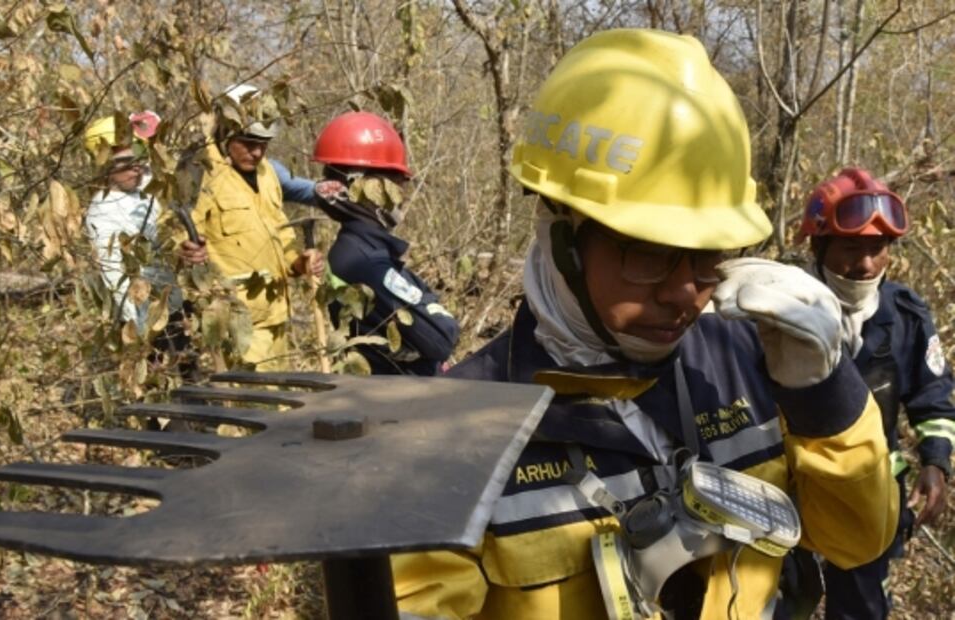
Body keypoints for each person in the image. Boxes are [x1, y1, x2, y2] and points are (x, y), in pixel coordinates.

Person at [392, 28, 898, 619]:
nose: (685, 292)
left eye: (708, 256)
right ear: (562, 236)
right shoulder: (457, 432)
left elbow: (857, 541)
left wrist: (823, 394)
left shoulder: (747, 360)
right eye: (648, 254)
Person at [793, 167, 954, 619]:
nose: (865, 265)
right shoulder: (781, 309)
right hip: (790, 495)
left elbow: (933, 394)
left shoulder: (905, 317)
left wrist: (936, 462)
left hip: (870, 498)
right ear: (818, 247)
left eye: (877, 248)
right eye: (851, 248)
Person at [180, 84, 325, 370]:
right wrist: (184, 249)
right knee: (250, 397)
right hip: (238, 324)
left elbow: (279, 228)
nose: (257, 152)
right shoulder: (200, 170)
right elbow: (177, 229)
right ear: (225, 132)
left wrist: (299, 262)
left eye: (264, 144)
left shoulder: (266, 171)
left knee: (283, 396)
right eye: (248, 143)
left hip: (277, 316)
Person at [311, 111, 459, 375]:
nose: (400, 194)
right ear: (362, 187)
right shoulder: (365, 262)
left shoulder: (364, 249)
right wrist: (433, 308)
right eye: (395, 183)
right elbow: (442, 338)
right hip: (399, 393)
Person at [84, 111, 185, 345]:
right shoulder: (102, 212)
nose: (137, 169)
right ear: (105, 165)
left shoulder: (146, 189)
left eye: (139, 159)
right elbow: (115, 279)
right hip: (149, 324)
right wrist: (141, 334)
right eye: (127, 164)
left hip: (175, 307)